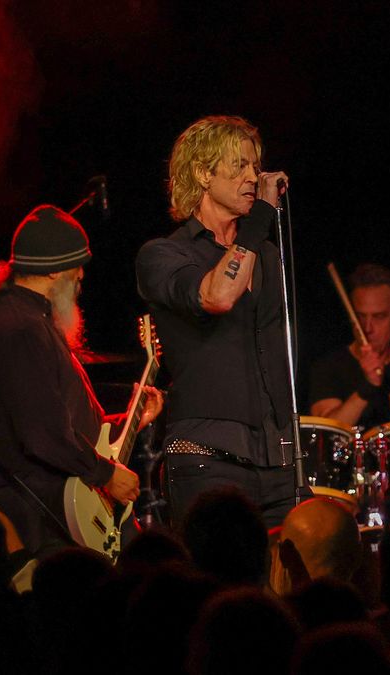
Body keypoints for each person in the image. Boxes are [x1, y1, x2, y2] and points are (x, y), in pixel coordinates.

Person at [0, 205, 162, 558]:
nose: (81, 279)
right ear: (56, 271)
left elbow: (59, 420)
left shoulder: (27, 320)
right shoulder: (21, 330)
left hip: (65, 507)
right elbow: (41, 434)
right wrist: (105, 475)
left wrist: (128, 420)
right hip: (50, 518)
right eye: (77, 269)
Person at [136, 115, 296, 528]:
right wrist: (260, 218)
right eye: (239, 165)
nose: (252, 177)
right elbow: (217, 296)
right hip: (206, 459)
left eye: (254, 166)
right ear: (203, 173)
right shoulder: (163, 255)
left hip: (276, 460)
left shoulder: (267, 255)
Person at [309, 263, 390, 428]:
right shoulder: (327, 367)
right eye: (361, 317)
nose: (367, 328)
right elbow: (329, 433)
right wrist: (368, 386)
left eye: (379, 316)